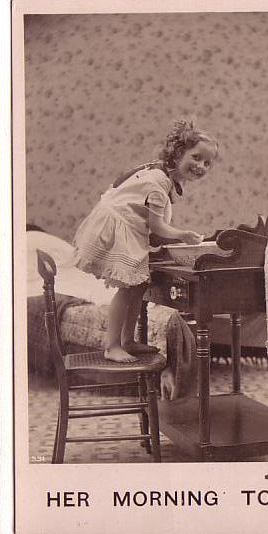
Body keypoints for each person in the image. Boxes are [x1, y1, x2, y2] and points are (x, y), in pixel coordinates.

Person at [73, 119, 218, 362]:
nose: (201, 165)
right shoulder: (158, 183)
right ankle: (111, 345)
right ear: (178, 152)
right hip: (119, 226)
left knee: (139, 284)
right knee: (127, 287)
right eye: (196, 157)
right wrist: (182, 235)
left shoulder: (161, 173)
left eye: (207, 162)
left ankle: (128, 340)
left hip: (129, 225)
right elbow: (157, 225)